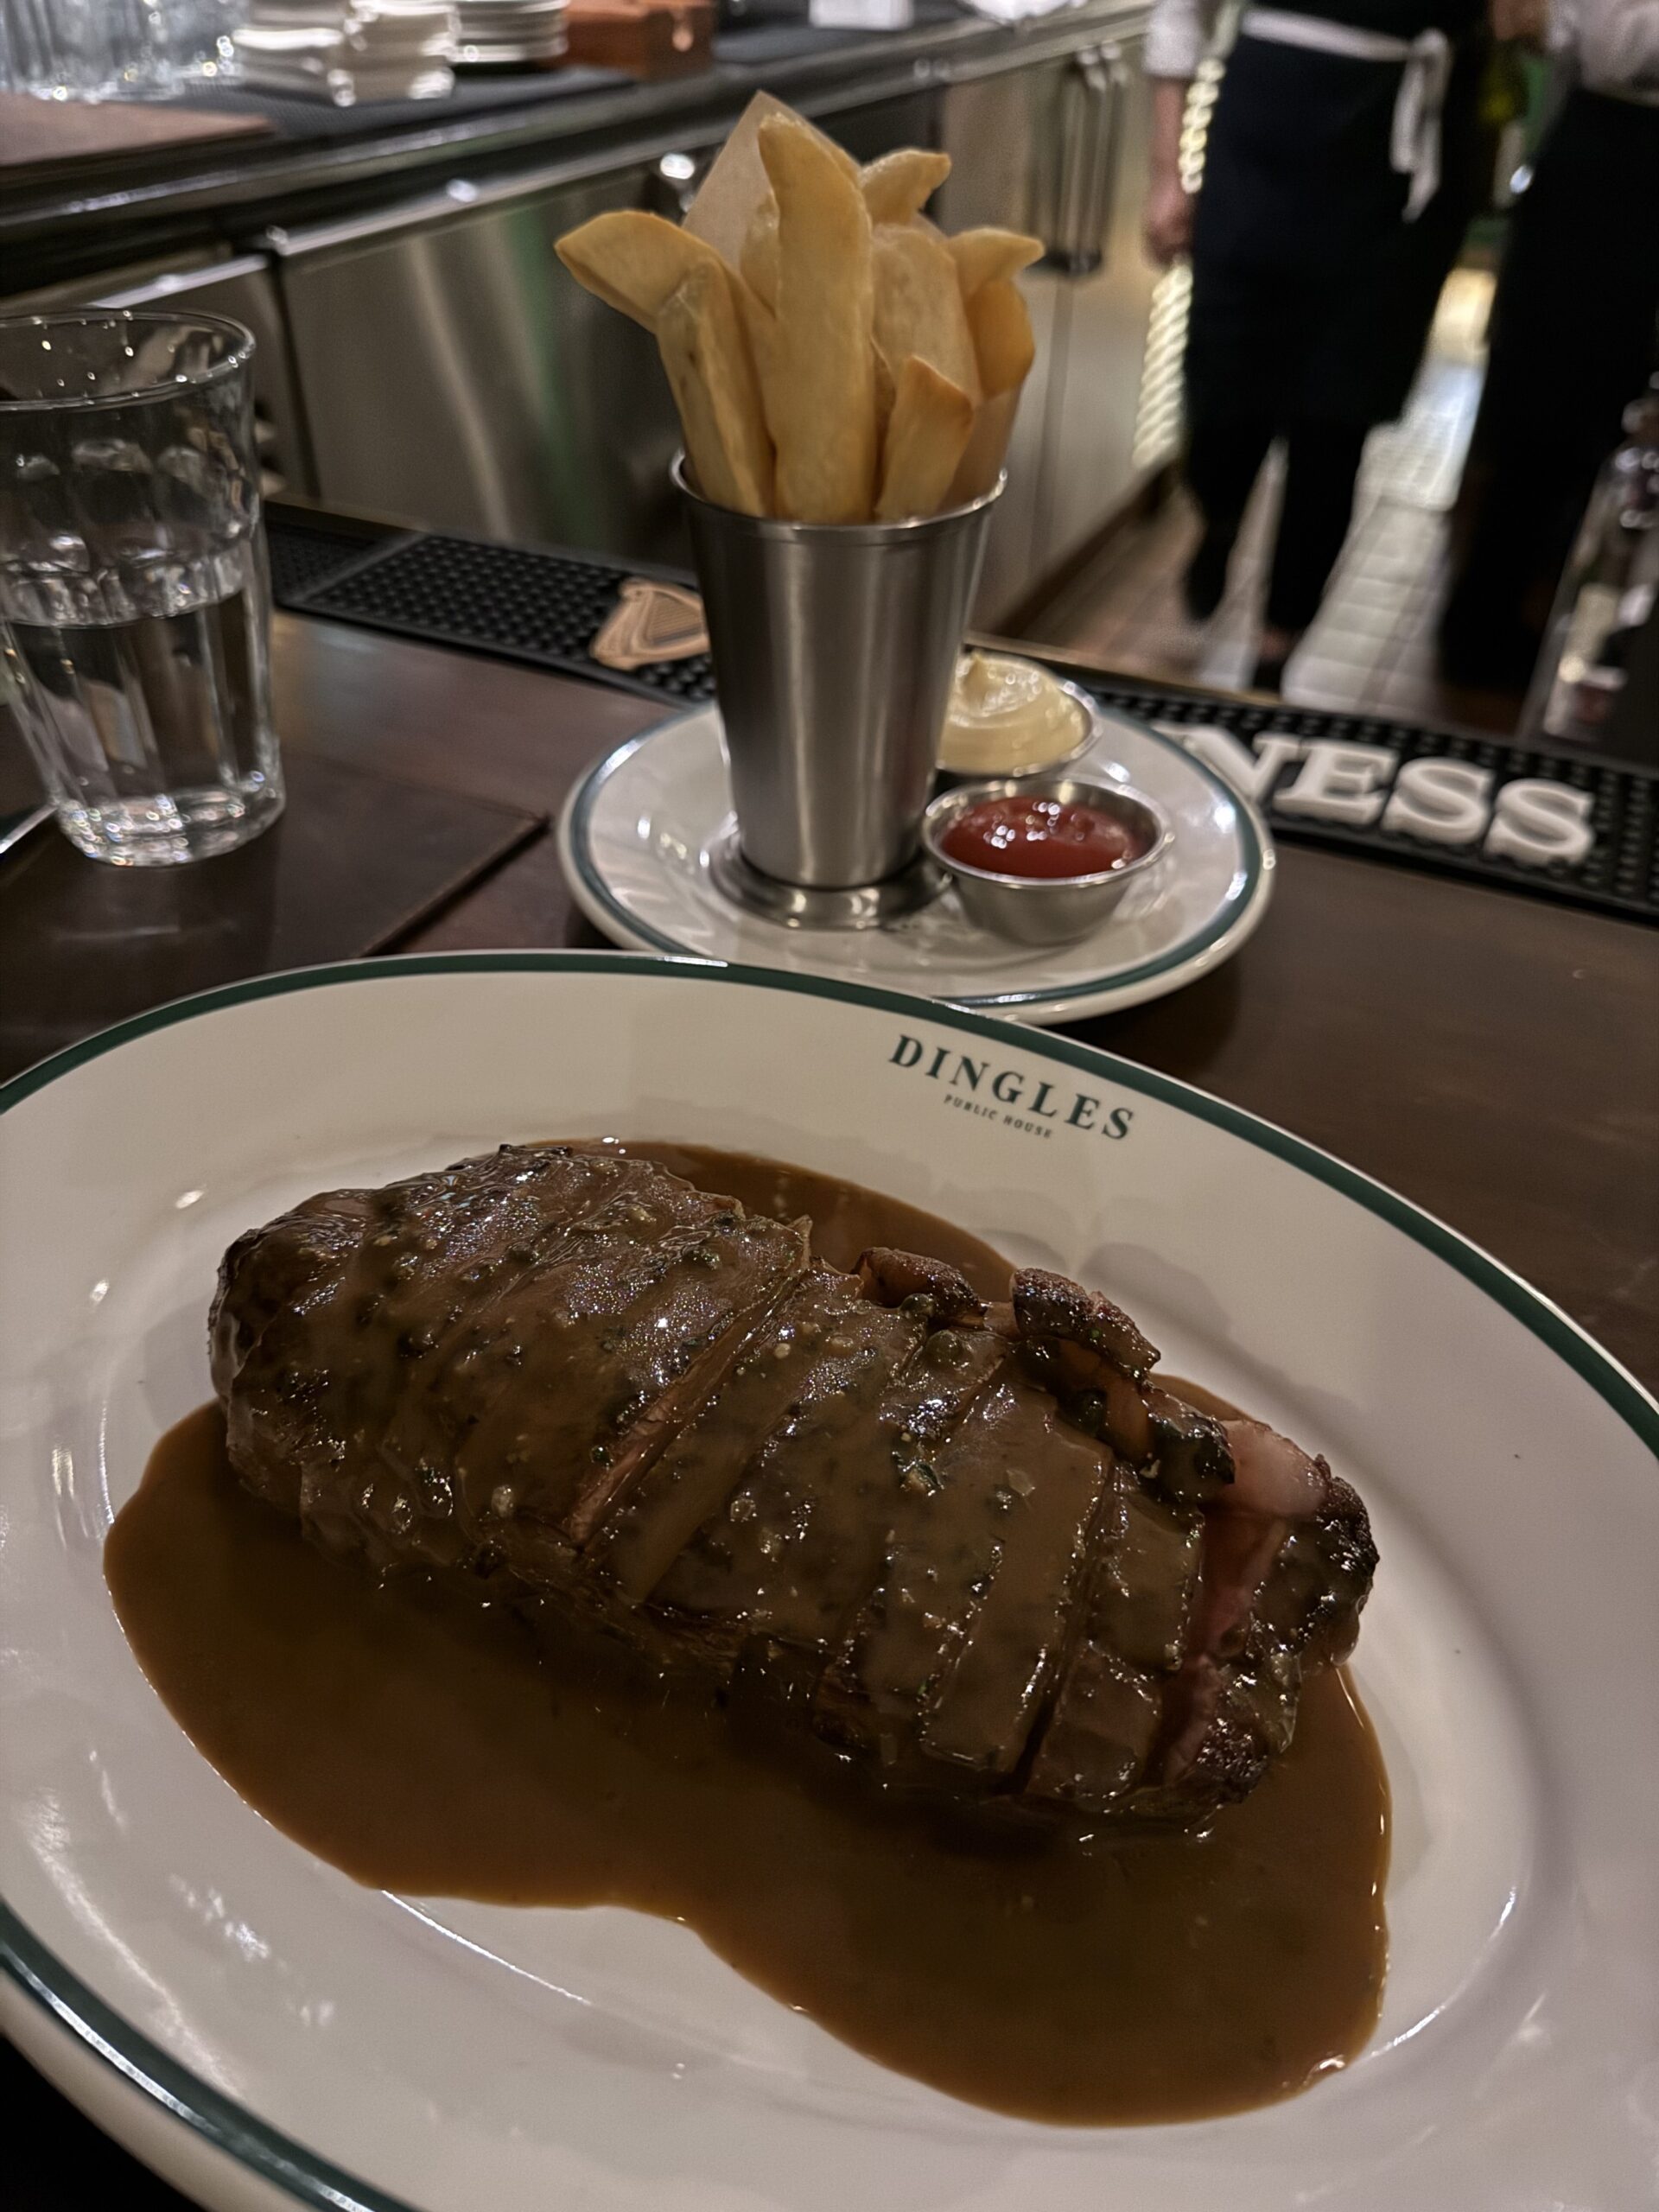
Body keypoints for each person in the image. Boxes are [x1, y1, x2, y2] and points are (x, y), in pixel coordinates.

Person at [1145, 0, 1491, 689]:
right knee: (1222, 401)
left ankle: (1274, 660)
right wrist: (1165, 176)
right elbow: (1179, 14)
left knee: (1335, 429)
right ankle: (1218, 518)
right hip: (1262, 142)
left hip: (1399, 172)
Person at [1440, 0, 1659, 684]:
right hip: (1613, 162)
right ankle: (1487, 636)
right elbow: (1615, 45)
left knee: (1593, 424)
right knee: (1551, 419)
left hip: (1614, 160)